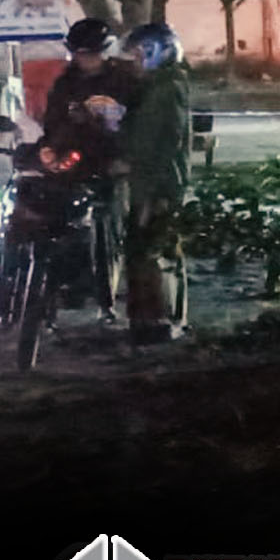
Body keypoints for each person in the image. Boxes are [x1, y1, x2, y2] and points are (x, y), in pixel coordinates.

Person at [42, 17, 136, 323]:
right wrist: (52, 149)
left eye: (91, 54)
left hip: (112, 166)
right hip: (72, 166)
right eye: (79, 54)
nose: (85, 60)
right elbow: (52, 123)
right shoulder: (65, 83)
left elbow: (136, 125)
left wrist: (122, 156)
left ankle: (106, 304)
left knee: (107, 235)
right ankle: (56, 297)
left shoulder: (124, 81)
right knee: (60, 232)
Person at [121, 22, 190, 343]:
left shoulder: (167, 89)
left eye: (139, 55)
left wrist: (155, 192)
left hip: (158, 185)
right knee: (142, 251)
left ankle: (165, 321)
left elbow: (165, 144)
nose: (133, 62)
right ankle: (146, 322)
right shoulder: (152, 87)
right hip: (145, 183)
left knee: (157, 252)